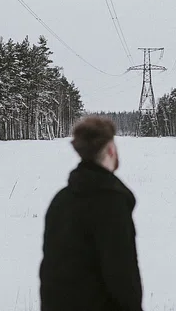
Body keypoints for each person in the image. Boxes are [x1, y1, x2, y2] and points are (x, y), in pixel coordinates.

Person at [39, 116, 143, 311]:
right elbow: (122, 277)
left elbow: (51, 273)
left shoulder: (61, 200)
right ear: (110, 149)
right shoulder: (111, 203)